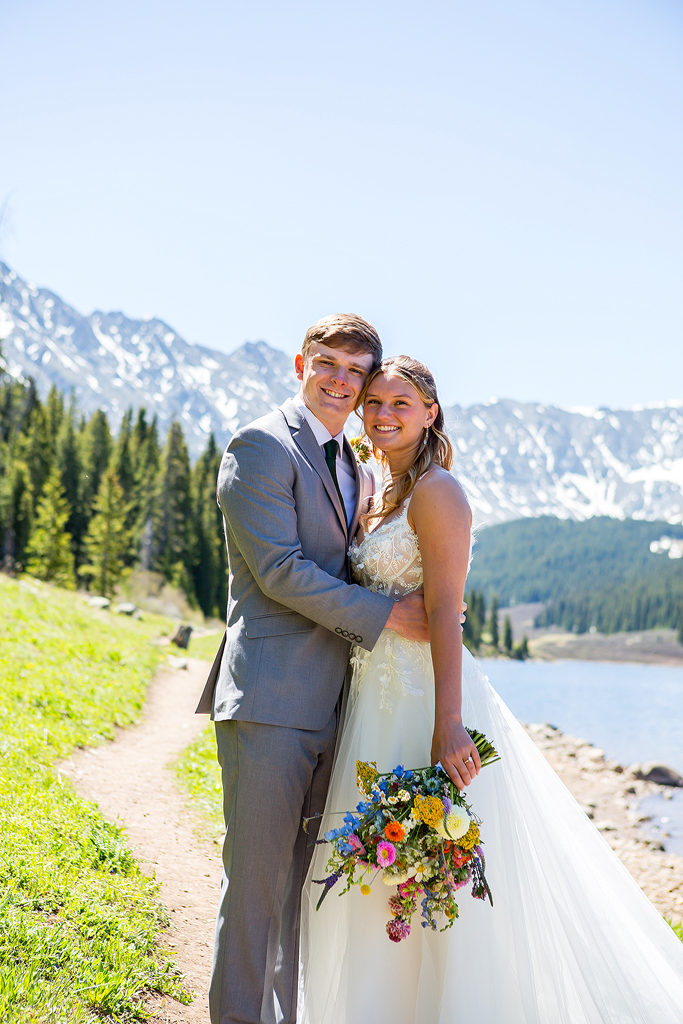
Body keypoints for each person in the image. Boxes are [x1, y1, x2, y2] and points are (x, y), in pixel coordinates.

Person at [300, 355, 683, 1024]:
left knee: (432, 872)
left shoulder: (438, 492)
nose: (383, 413)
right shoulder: (374, 489)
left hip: (422, 701)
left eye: (401, 402)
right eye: (374, 402)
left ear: (430, 413)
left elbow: (446, 612)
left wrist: (447, 723)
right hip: (370, 702)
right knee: (379, 873)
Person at [195, 315, 432, 1024]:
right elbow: (277, 571)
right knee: (257, 886)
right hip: (269, 699)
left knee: (302, 888)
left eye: (355, 371)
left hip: (336, 705)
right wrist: (386, 614)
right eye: (327, 363)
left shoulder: (349, 460)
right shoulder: (261, 444)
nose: (338, 379)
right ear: (301, 362)